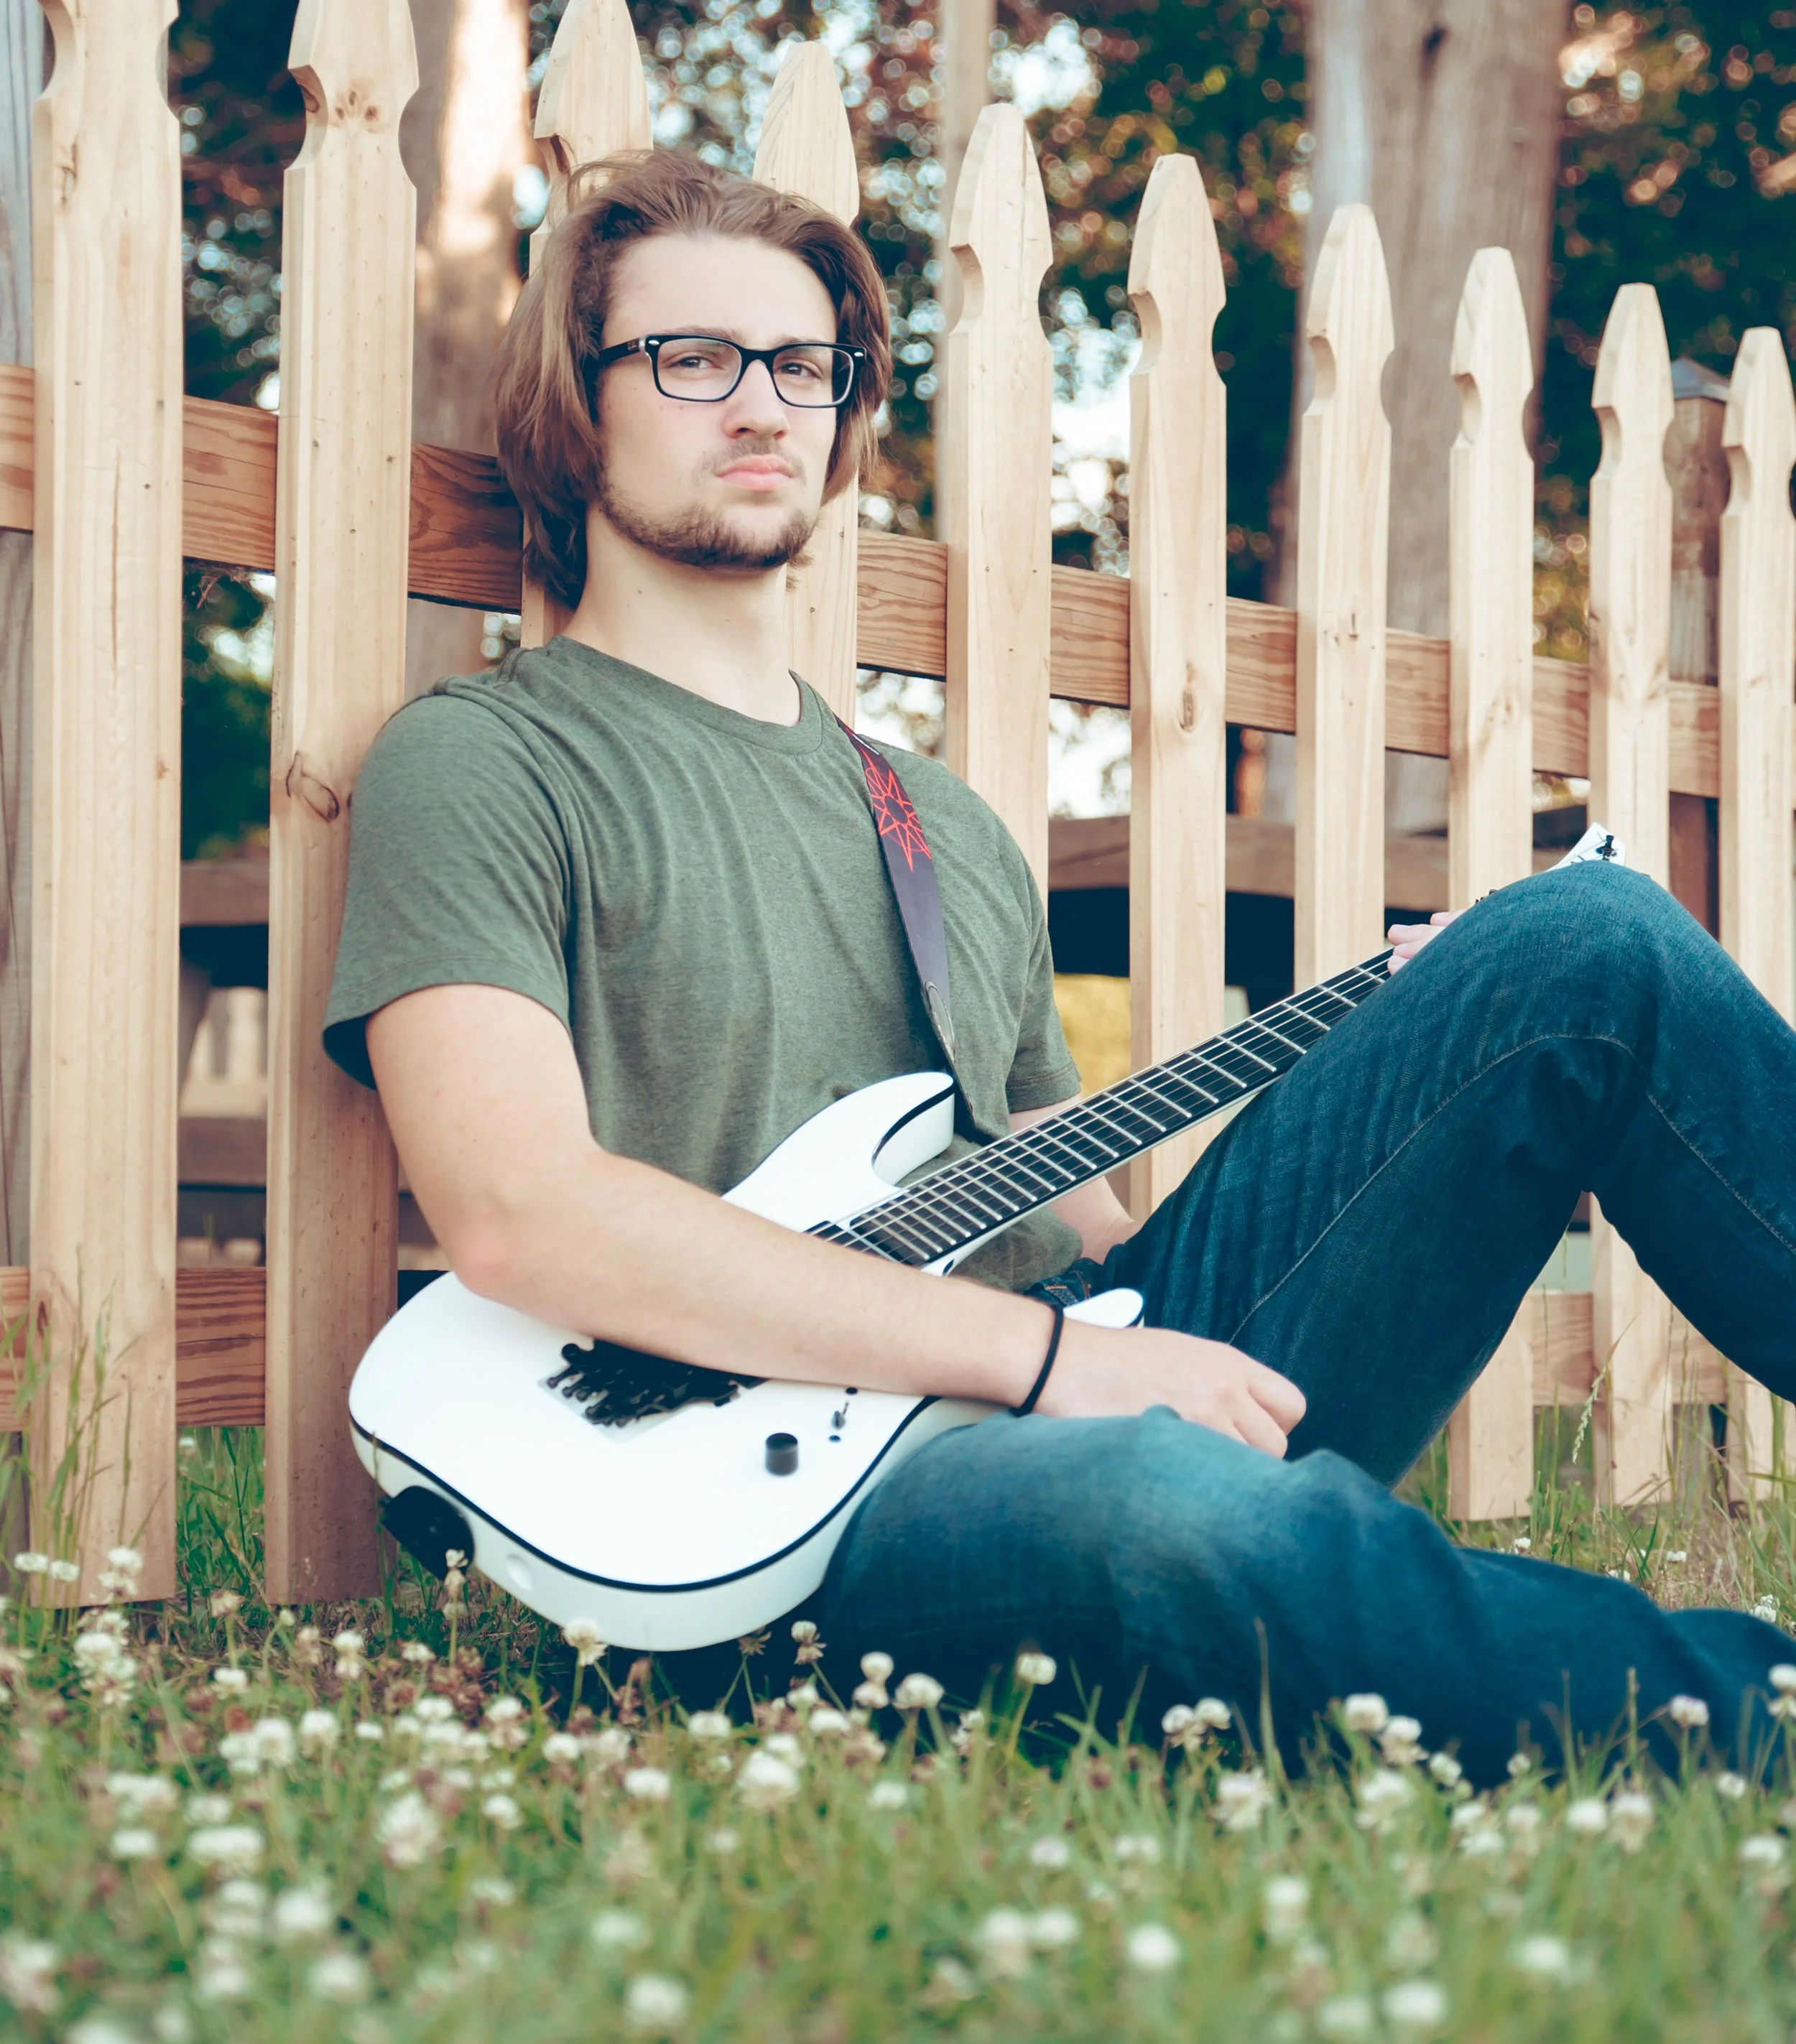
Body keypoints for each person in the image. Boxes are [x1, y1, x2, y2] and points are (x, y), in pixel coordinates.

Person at [323, 147, 1796, 1783]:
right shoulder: (486, 762)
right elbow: (521, 1211)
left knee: (1574, 943)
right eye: (691, 359)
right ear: (574, 401)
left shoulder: (929, 824)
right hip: (769, 1522)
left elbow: (1073, 1230)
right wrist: (1046, 1365)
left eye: (804, 367)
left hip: (1049, 1375)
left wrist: (1426, 1051)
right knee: (1170, 1511)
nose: (759, 407)